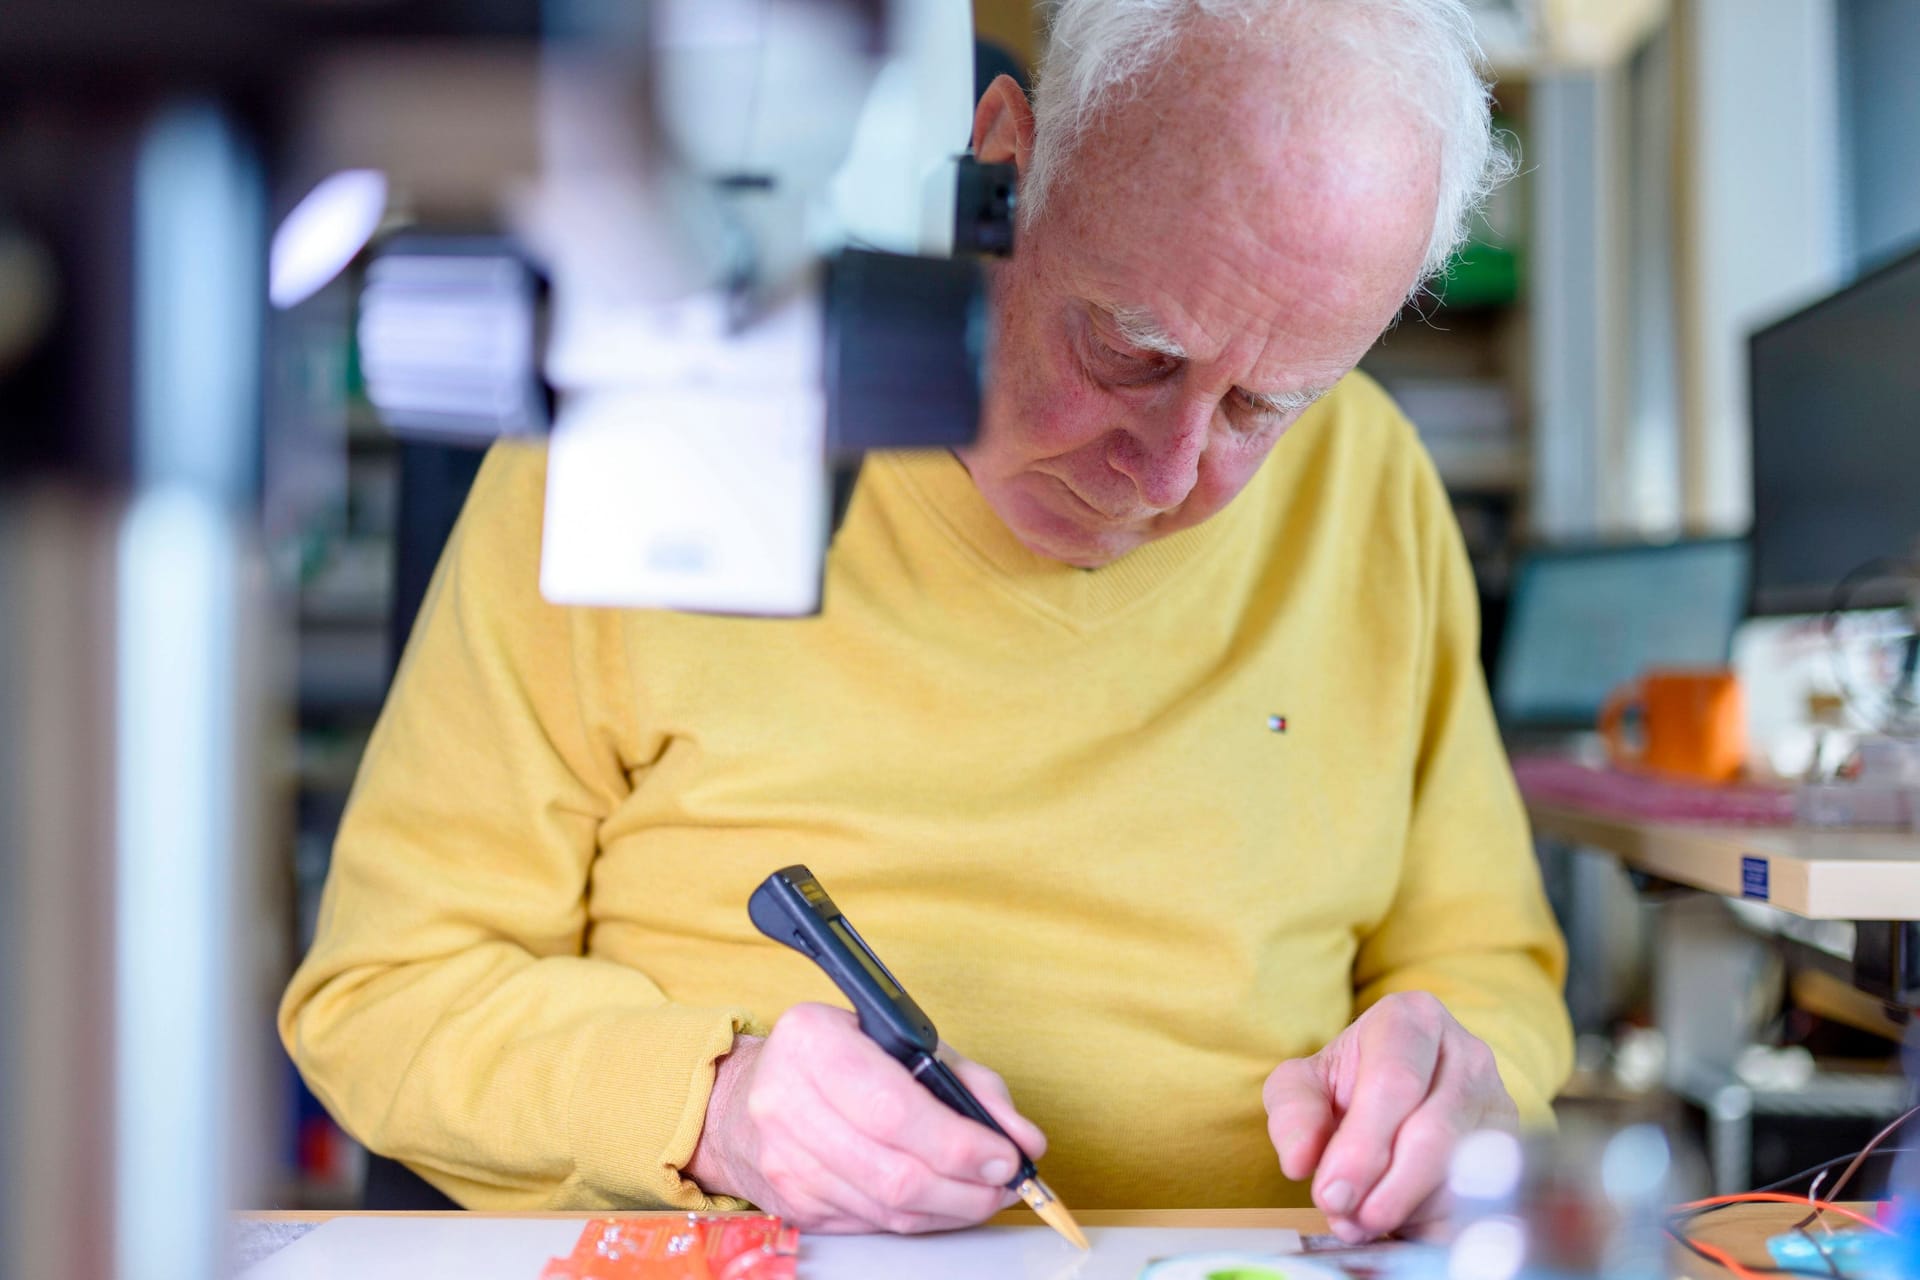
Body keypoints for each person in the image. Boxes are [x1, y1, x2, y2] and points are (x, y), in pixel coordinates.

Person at [281, 0, 1572, 1245]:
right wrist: (714, 1113)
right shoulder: (662, 431)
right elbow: (383, 997)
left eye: (1261, 410)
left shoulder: (1375, 483)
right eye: (1133, 351)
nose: (1171, 473)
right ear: (1003, 155)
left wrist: (1459, 1078)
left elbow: (1486, 970)